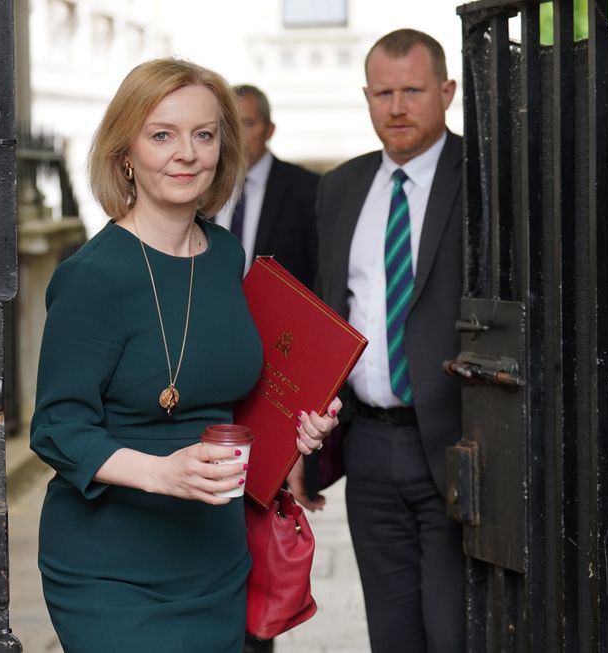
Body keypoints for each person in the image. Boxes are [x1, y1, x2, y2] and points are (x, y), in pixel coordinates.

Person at [30, 58, 341, 653]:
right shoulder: (92, 277)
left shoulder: (227, 254)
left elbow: (231, 393)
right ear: (126, 151)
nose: (187, 153)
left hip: (214, 557)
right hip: (112, 570)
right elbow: (56, 430)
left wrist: (295, 427)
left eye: (204, 134)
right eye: (162, 134)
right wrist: (161, 472)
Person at [290, 28, 465, 653]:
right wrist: (303, 448)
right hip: (367, 446)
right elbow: (324, 316)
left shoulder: (482, 178)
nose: (397, 107)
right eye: (383, 93)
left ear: (446, 91)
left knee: (453, 631)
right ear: (366, 95)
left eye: (413, 91)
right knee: (390, 633)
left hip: (457, 444)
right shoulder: (338, 188)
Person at [213, 84, 319, 288]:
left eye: (248, 123)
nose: (238, 137)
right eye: (229, 125)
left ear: (269, 130)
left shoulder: (308, 189)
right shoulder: (203, 186)